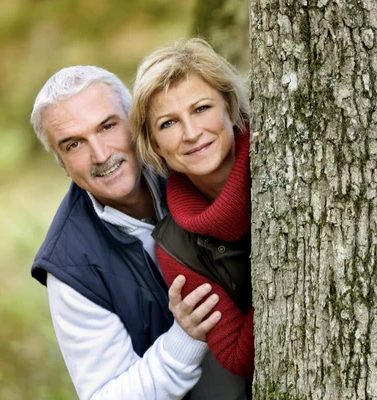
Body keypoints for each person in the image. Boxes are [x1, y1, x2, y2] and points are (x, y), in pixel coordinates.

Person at [129, 38, 377, 380]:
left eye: (201, 108)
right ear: (154, 144)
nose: (191, 133)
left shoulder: (291, 150)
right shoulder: (175, 246)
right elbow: (237, 356)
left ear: (229, 106)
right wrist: (290, 264)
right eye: (168, 123)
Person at [29, 66, 247, 400]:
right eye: (74, 144)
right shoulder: (70, 266)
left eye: (108, 126)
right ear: (61, 162)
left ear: (136, 120)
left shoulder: (188, 160)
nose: (101, 155)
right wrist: (184, 337)